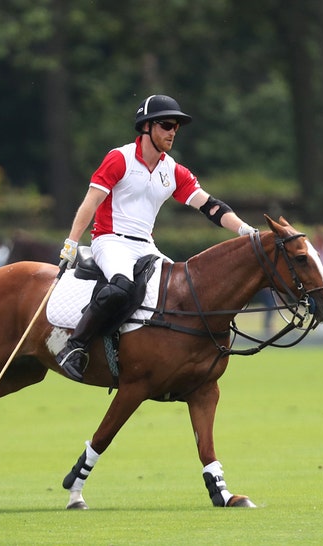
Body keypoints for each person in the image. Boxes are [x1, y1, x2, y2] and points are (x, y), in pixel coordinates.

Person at [56, 94, 255, 382]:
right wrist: (71, 244)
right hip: (110, 240)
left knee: (181, 293)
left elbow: (210, 206)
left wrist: (243, 229)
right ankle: (74, 346)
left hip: (145, 245)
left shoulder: (172, 170)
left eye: (176, 126)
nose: (172, 131)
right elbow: (90, 203)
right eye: (166, 124)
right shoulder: (119, 158)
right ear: (146, 127)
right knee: (121, 287)